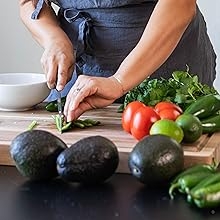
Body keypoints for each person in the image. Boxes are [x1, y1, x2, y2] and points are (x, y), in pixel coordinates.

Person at [19, 0, 216, 122]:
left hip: (166, 71)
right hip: (79, 74)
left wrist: (119, 81)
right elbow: (29, 3)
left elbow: (179, 3)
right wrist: (54, 39)